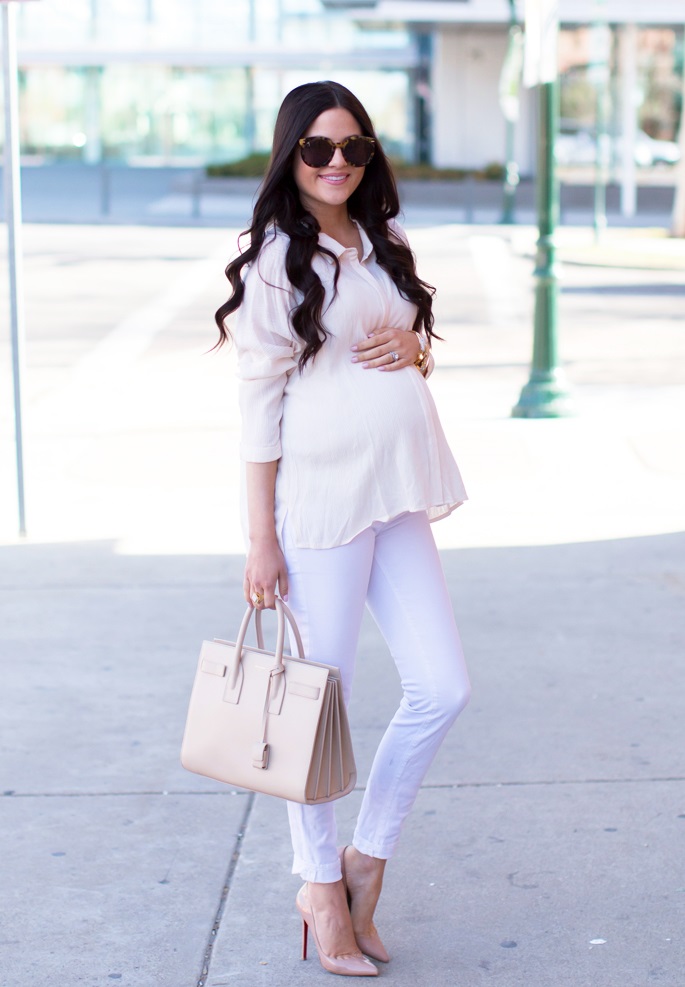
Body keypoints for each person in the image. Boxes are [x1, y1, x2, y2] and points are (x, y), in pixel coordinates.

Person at [215, 80, 471, 978]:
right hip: (320, 506)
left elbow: (400, 346)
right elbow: (257, 412)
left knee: (442, 685)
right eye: (318, 148)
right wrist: (260, 538)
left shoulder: (383, 242)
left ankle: (368, 859)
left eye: (353, 147)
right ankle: (319, 886)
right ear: (290, 154)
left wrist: (417, 348)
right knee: (313, 710)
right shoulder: (274, 263)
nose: (337, 163)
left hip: (396, 493)